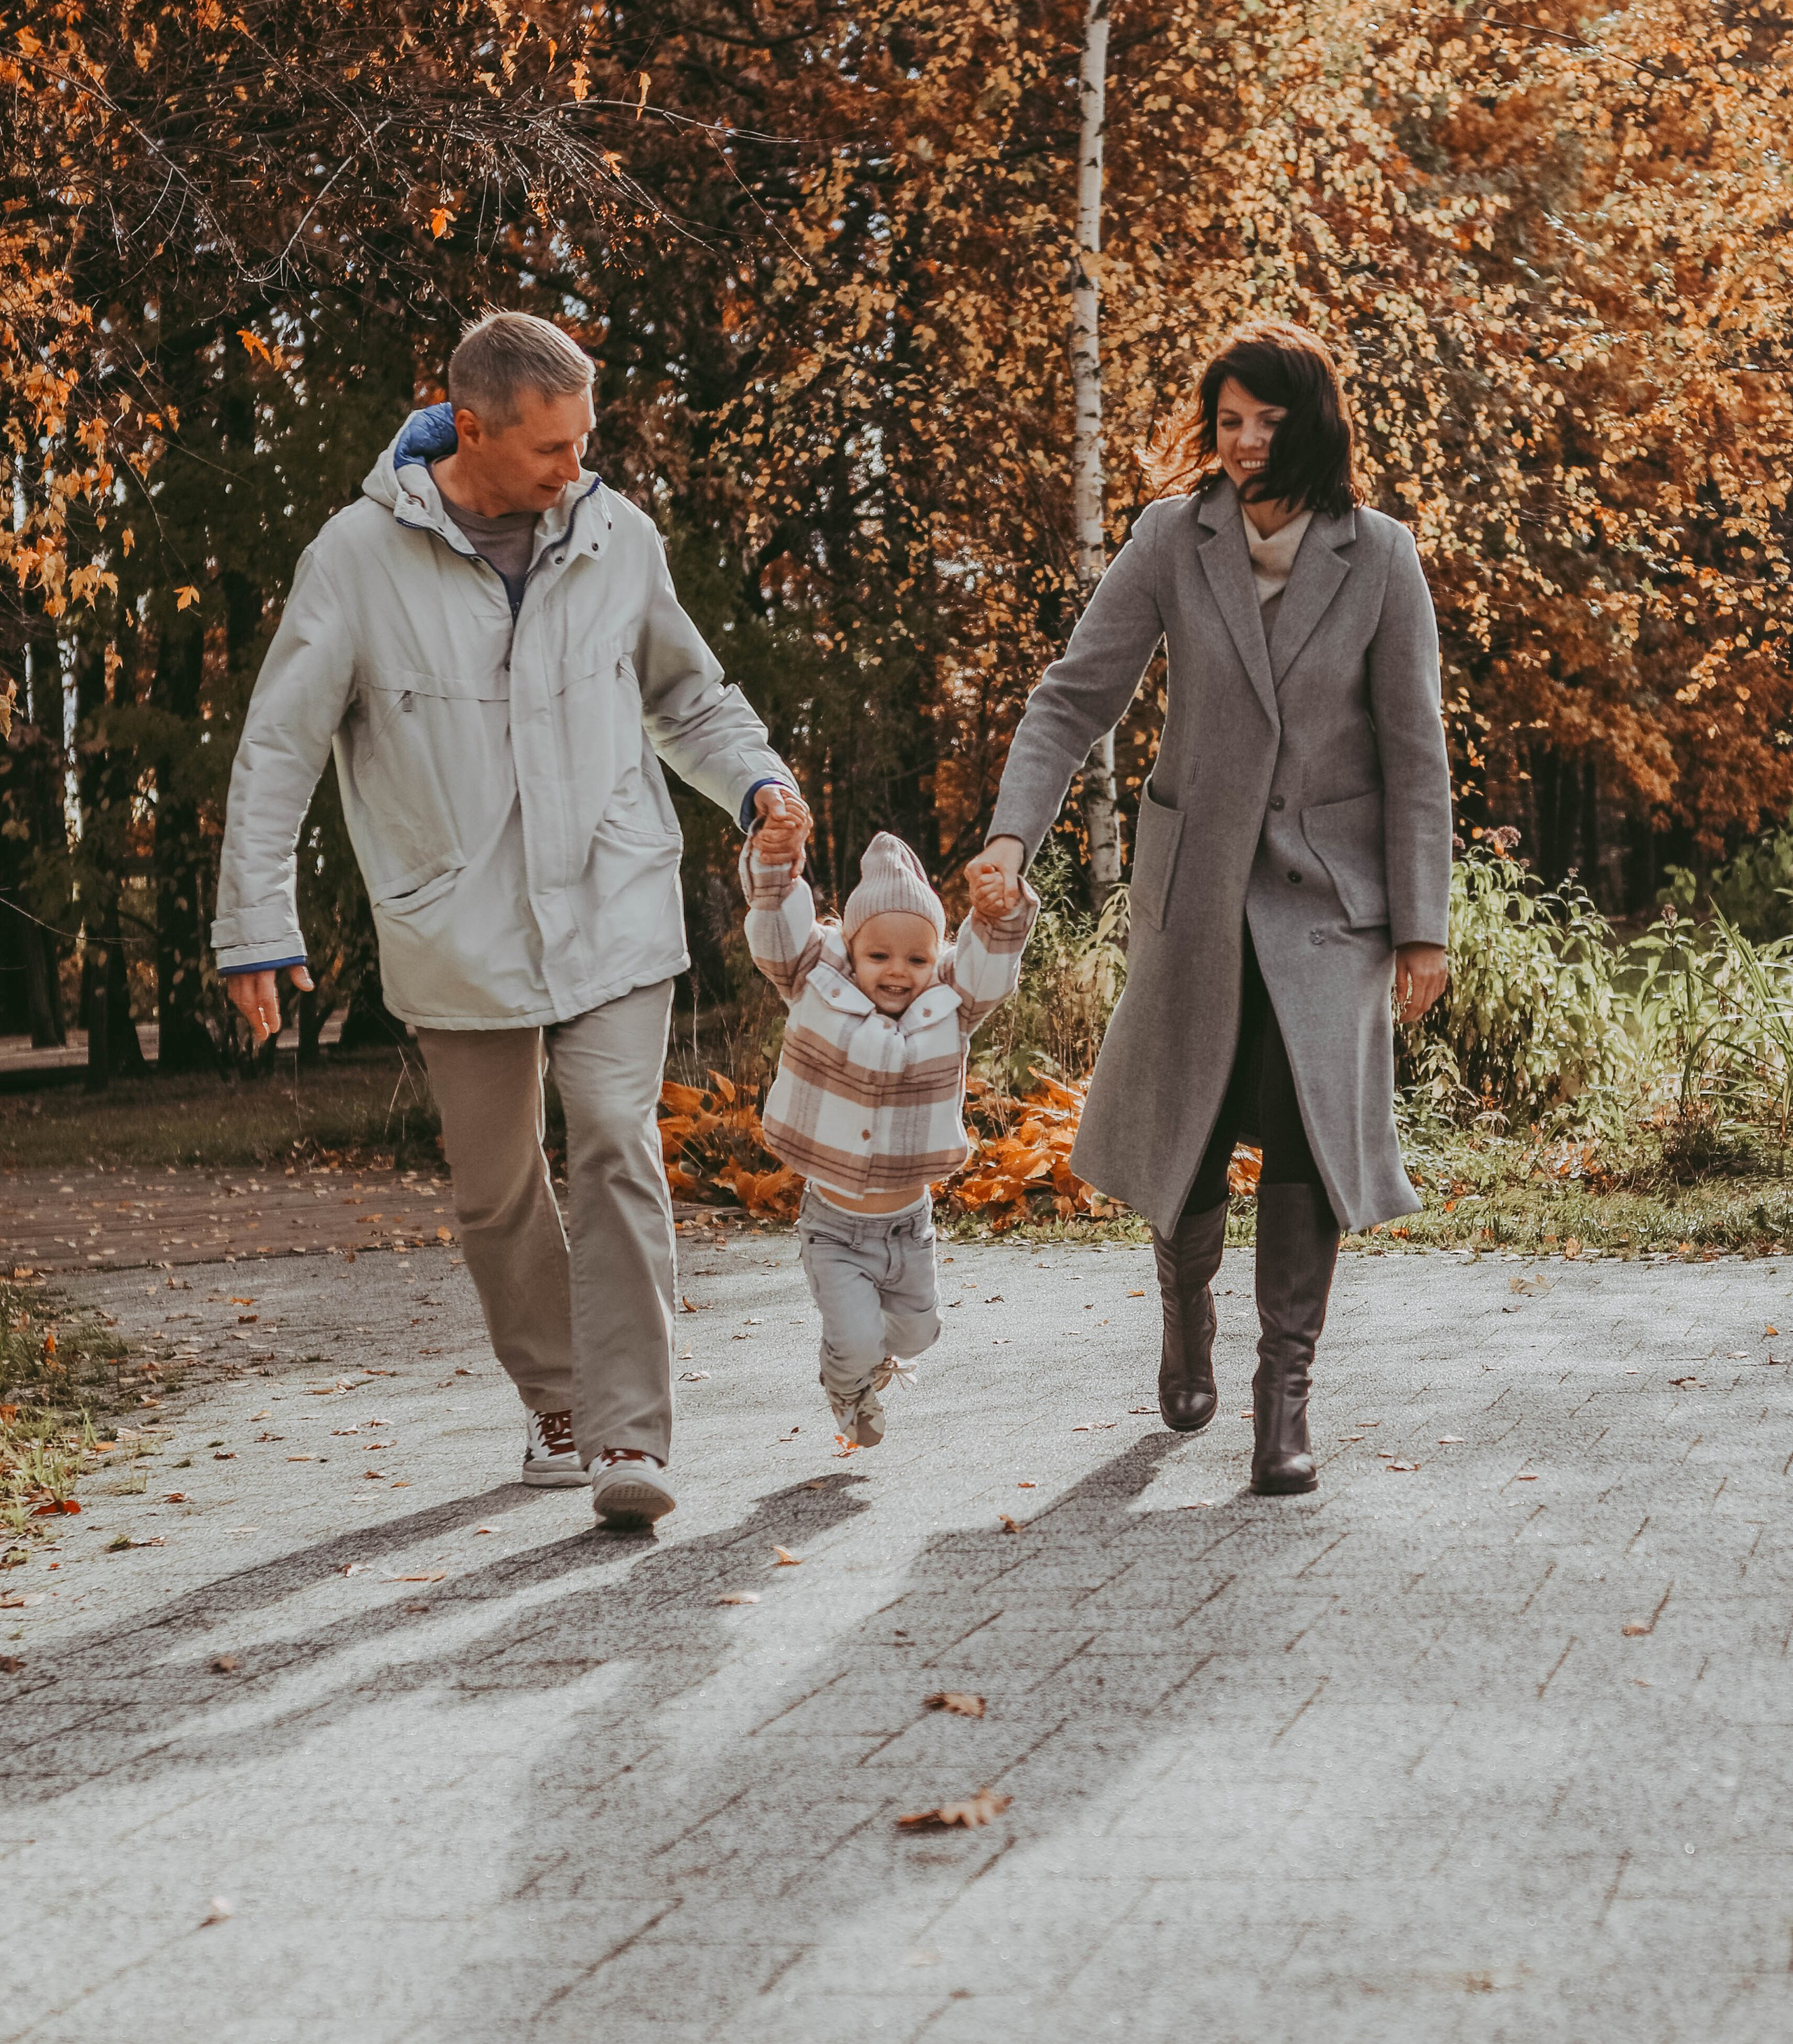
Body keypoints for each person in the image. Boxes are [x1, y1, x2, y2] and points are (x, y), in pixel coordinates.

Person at [212, 310, 810, 1531]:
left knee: (613, 1139)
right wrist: (254, 928)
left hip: (612, 895)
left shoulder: (614, 536)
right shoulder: (358, 559)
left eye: (584, 441)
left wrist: (756, 782)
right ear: (470, 430)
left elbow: (688, 695)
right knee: (494, 1189)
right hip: (457, 920)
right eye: (549, 449)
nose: (573, 469)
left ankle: (629, 1434)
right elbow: (279, 746)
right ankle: (556, 1398)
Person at [966, 319, 1452, 1496]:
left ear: (1311, 428)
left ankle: (1283, 1404)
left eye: (1264, 424)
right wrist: (1010, 835)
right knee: (1188, 1123)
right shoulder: (1171, 541)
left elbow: (1414, 750)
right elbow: (1075, 696)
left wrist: (1424, 925)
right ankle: (1187, 1313)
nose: (1239, 444)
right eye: (1226, 421)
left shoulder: (1379, 555)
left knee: (1304, 1131)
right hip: (1199, 889)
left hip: (1335, 899)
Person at [742, 830, 1037, 1447]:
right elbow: (777, 933)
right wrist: (775, 870)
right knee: (853, 1338)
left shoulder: (953, 1001)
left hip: (909, 1224)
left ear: (938, 958)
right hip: (834, 1226)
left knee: (917, 1335)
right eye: (879, 957)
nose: (898, 972)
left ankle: (870, 1363)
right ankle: (846, 1386)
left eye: (916, 959)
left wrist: (996, 911)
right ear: (850, 951)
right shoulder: (814, 981)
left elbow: (989, 968)